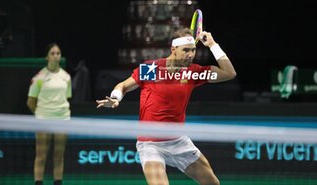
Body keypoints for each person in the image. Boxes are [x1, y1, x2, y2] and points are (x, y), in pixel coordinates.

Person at [96, 28, 236, 185]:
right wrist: (115, 98)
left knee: (213, 183)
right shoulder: (152, 68)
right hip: (150, 144)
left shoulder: (193, 73)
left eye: (193, 50)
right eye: (186, 50)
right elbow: (123, 86)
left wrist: (212, 45)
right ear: (173, 49)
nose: (190, 55)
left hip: (179, 142)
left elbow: (229, 73)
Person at [27, 43, 72, 185]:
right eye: (52, 53)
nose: (55, 56)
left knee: (59, 155)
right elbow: (30, 101)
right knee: (41, 155)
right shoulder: (39, 77)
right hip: (43, 120)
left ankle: (58, 182)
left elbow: (66, 97)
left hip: (62, 119)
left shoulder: (66, 77)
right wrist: (41, 115)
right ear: (47, 57)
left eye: (58, 53)